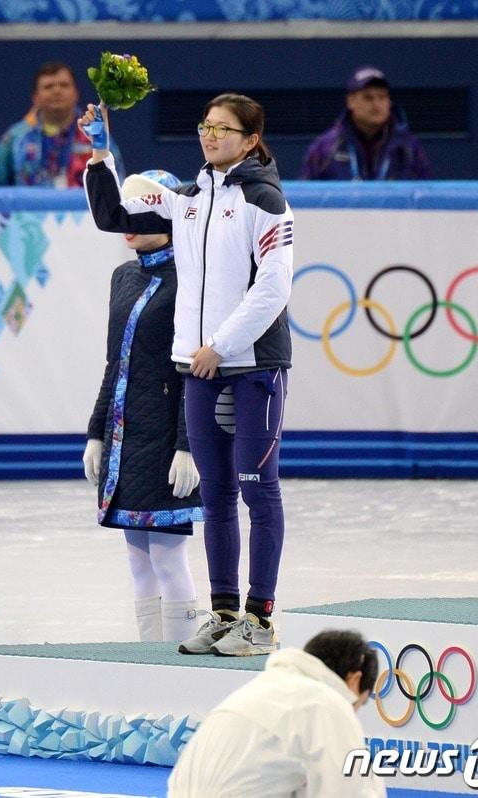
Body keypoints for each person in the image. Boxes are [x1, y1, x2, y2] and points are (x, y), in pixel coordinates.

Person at [79, 92, 294, 656]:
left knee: (257, 490)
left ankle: (261, 620)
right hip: (199, 368)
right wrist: (101, 157)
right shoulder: (189, 198)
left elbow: (273, 288)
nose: (210, 135)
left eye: (223, 129)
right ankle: (223, 615)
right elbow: (114, 217)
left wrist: (219, 346)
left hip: (253, 367)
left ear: (249, 139)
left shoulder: (266, 200)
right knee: (218, 496)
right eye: (205, 126)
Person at [82, 168, 203, 643]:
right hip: (124, 440)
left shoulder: (191, 280)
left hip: (166, 442)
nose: (126, 224)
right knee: (137, 558)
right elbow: (116, 362)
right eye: (122, 214)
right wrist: (96, 432)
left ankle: (180, 665)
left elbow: (194, 370)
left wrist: (188, 445)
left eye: (140, 214)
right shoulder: (124, 276)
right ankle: (149, 660)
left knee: (169, 557)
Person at [167, 629, 385, 797]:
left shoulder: (260, 689)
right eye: (358, 705)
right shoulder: (326, 703)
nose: (353, 712)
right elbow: (352, 788)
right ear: (354, 680)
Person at [0, 61, 124, 188]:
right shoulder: (16, 137)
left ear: (76, 93)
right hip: (28, 216)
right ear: (35, 97)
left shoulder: (94, 133)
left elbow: (117, 180)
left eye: (64, 85)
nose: (57, 91)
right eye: (48, 86)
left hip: (87, 215)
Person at [301, 64, 431, 181]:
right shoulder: (326, 147)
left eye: (382, 97)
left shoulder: (408, 147)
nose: (377, 104)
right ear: (350, 101)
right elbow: (306, 195)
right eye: (368, 98)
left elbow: (425, 195)